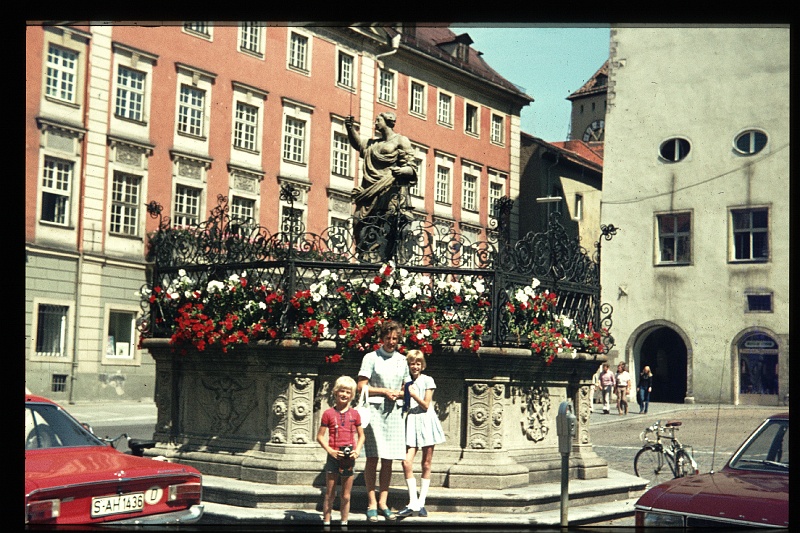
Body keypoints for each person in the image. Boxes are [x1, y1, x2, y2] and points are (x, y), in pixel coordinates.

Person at [357, 320, 410, 522]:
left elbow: (407, 385)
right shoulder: (371, 357)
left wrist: (400, 393)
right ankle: (371, 502)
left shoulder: (402, 360)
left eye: (395, 339)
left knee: (388, 459)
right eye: (388, 338)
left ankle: (383, 502)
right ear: (382, 338)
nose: (391, 342)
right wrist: (383, 391)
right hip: (374, 411)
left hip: (394, 412)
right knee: (373, 457)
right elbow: (361, 385)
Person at [344, 113, 418, 252]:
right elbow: (358, 144)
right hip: (369, 191)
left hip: (389, 191)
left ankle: (383, 260)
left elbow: (411, 166)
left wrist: (402, 171)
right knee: (358, 221)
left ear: (388, 121)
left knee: (386, 224)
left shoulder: (401, 140)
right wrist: (350, 128)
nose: (375, 123)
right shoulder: (373, 143)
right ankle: (364, 257)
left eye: (378, 120)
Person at [397, 350, 446, 519]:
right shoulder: (406, 382)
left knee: (426, 463)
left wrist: (413, 394)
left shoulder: (428, 380)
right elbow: (401, 398)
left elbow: (426, 404)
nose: (415, 366)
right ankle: (413, 502)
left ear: (422, 365)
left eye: (418, 363)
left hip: (426, 421)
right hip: (411, 420)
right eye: (412, 363)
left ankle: (421, 503)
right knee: (406, 462)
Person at [316, 375, 365, 528]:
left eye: (348, 392)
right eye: (342, 391)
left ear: (352, 396)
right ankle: (327, 522)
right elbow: (320, 436)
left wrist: (357, 450)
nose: (344, 394)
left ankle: (344, 522)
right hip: (333, 457)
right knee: (330, 493)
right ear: (336, 392)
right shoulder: (328, 413)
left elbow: (362, 435)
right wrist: (330, 450)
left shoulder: (355, 414)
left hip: (349, 457)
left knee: (346, 494)